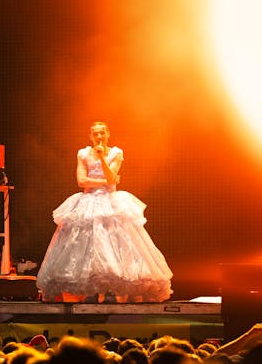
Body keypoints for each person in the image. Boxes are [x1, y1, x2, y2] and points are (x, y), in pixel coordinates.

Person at [35, 121, 173, 303]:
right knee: (86, 244)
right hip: (88, 201)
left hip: (111, 202)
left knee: (114, 243)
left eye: (102, 133)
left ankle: (112, 291)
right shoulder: (83, 154)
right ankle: (91, 292)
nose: (99, 137)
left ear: (108, 134)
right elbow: (82, 181)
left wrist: (102, 160)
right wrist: (107, 181)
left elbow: (110, 177)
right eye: (95, 134)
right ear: (90, 136)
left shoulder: (116, 153)